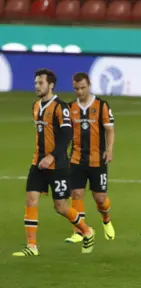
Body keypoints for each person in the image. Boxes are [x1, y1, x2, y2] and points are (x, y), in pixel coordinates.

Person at [13, 68, 95, 257]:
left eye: (40, 83)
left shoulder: (60, 107)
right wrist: (42, 158)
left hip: (57, 165)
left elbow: (67, 134)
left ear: (50, 85)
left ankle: (86, 230)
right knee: (31, 199)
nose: (37, 86)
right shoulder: (35, 106)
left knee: (61, 207)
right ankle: (32, 246)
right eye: (35, 83)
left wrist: (51, 156)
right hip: (38, 163)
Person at [65, 72, 116, 243]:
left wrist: (109, 150)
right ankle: (80, 232)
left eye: (82, 88)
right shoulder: (70, 108)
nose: (79, 91)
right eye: (76, 88)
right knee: (76, 193)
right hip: (76, 158)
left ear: (89, 85)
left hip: (97, 159)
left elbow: (110, 130)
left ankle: (106, 220)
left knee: (100, 198)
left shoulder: (101, 105)